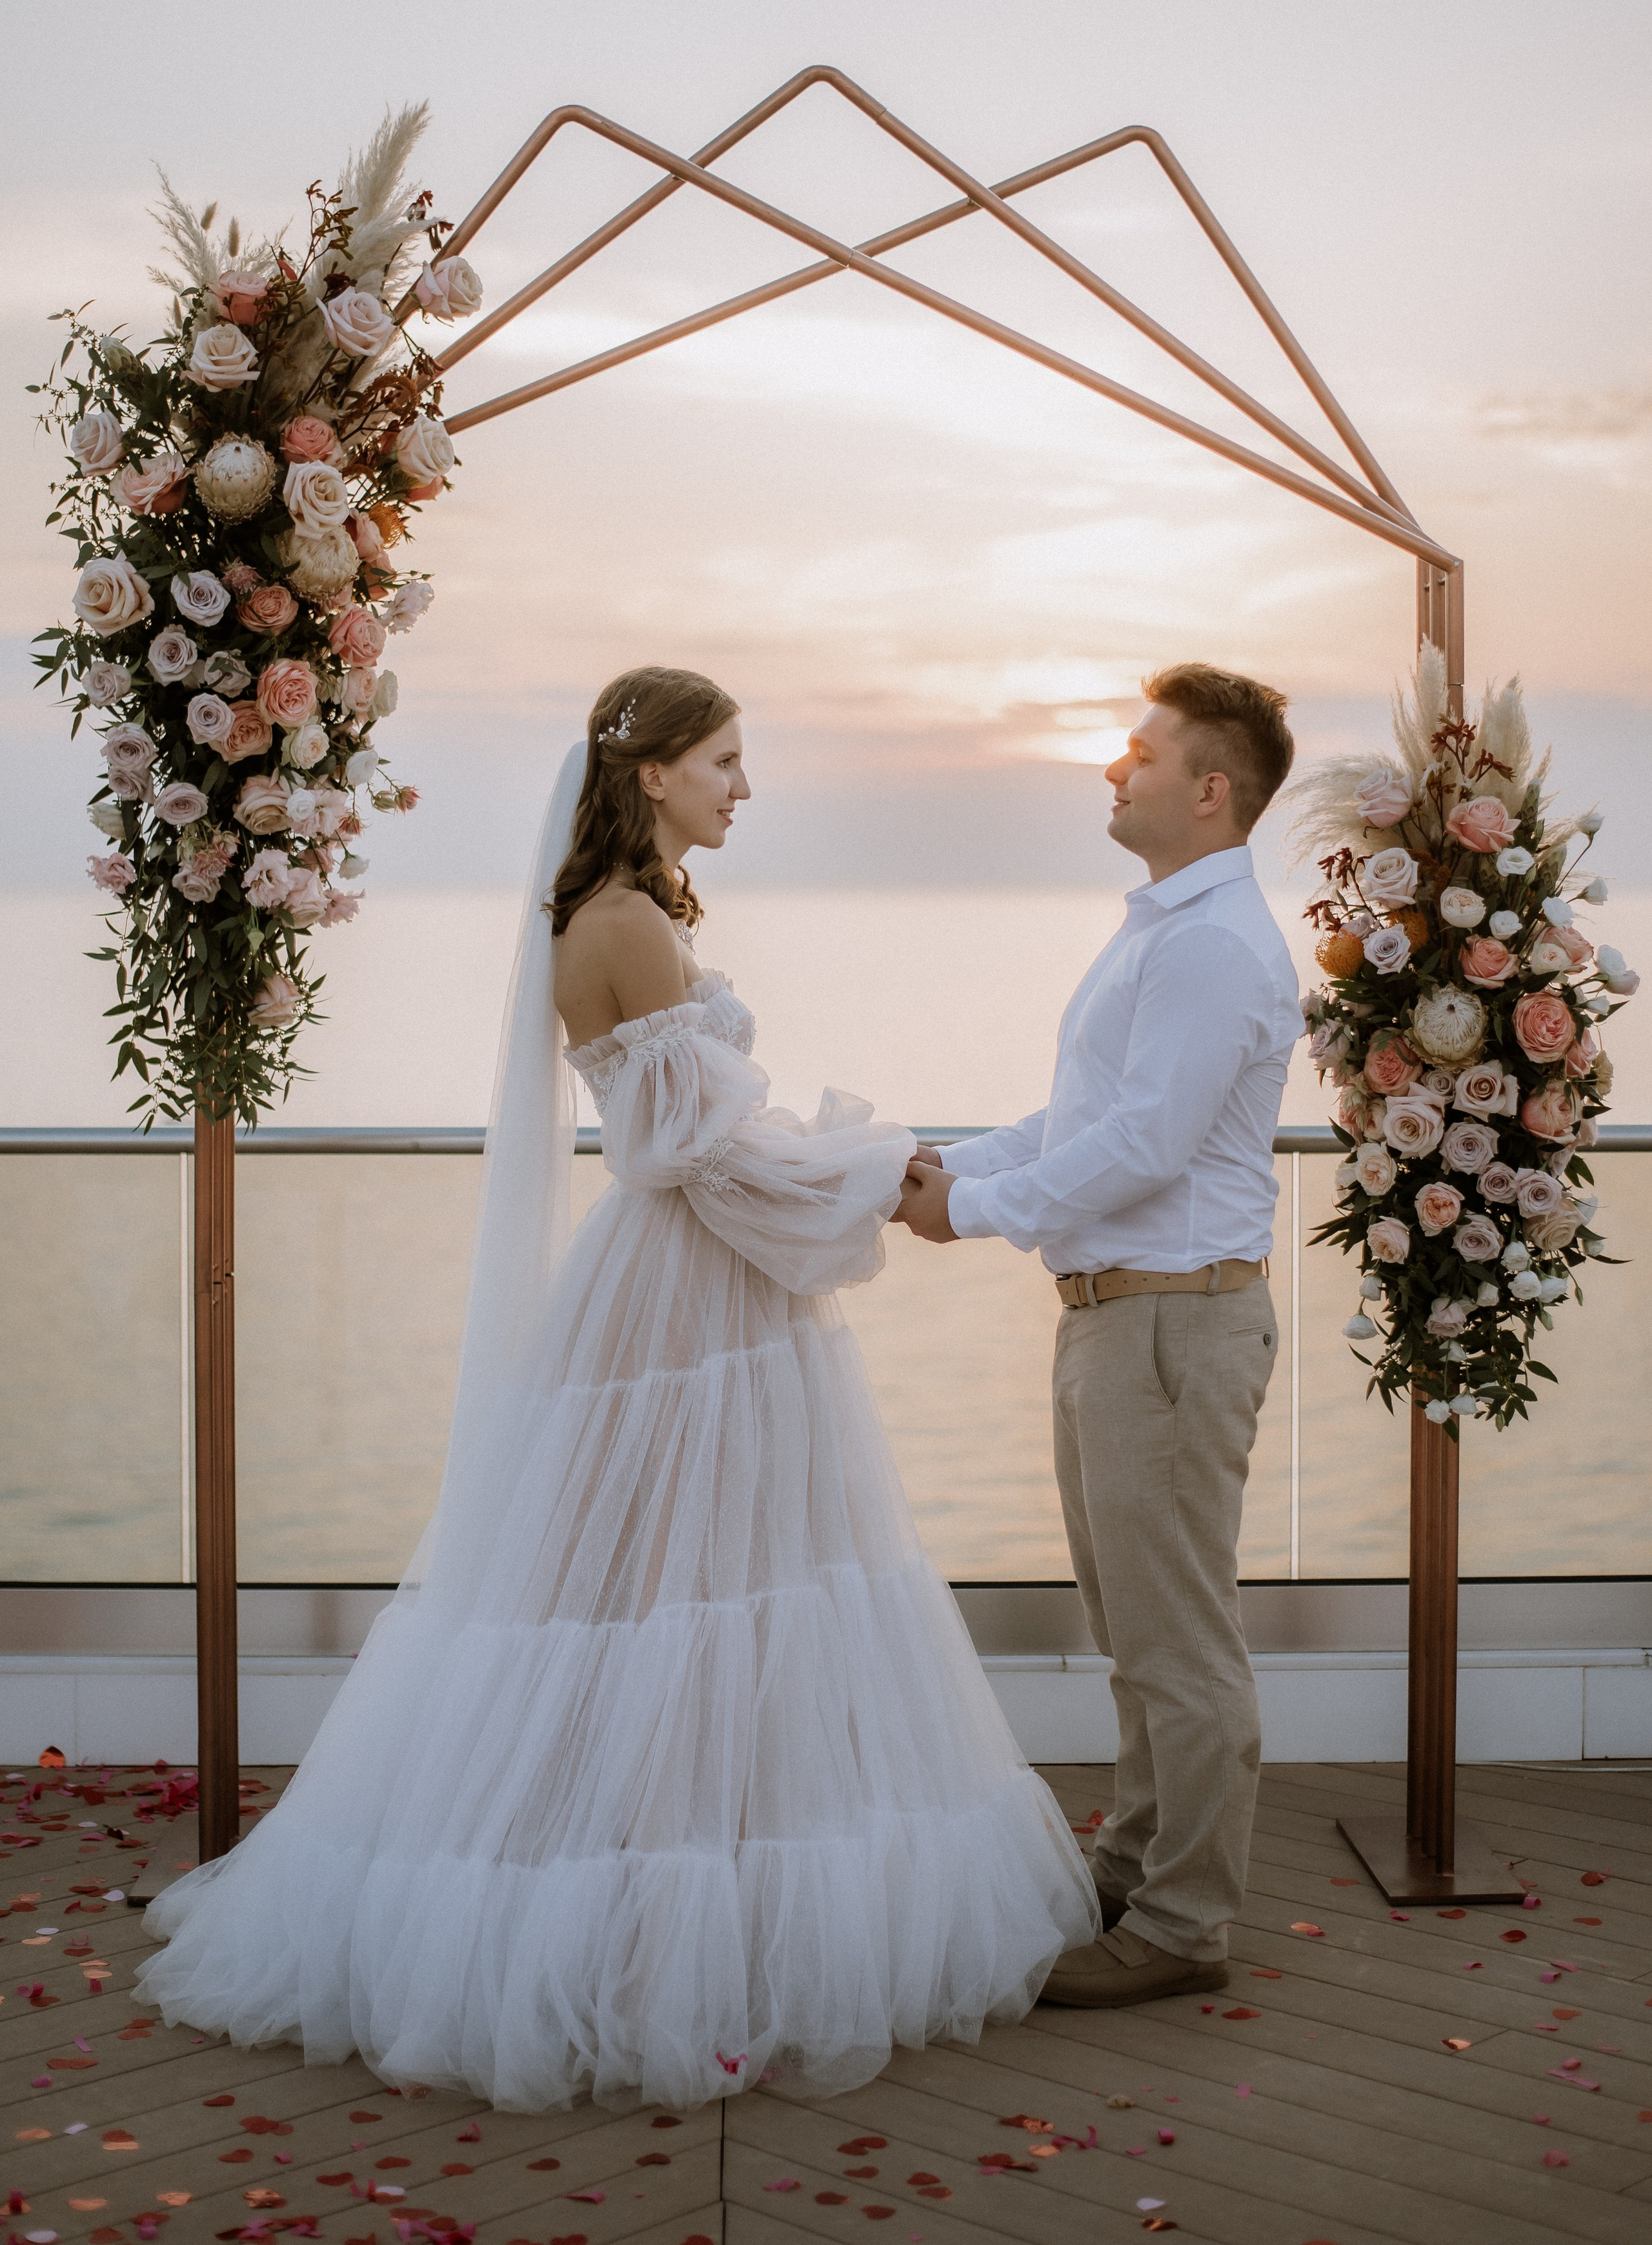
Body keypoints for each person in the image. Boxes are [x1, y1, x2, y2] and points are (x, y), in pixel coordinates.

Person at [132, 665, 1095, 2111]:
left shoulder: (616, 912)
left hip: (680, 1279)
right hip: (687, 1289)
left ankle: (678, 1882)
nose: (744, 787)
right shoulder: (629, 924)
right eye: (724, 760)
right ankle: (661, 1920)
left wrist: (849, 1172)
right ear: (652, 773)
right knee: (684, 1587)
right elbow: (696, 1156)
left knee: (678, 1586)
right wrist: (871, 1171)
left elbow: (690, 1135)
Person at [895, 663, 1300, 2007]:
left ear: (1211, 789)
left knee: (1178, 1636)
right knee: (1135, 1623)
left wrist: (969, 1211)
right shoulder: (1164, 930)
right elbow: (1081, 1118)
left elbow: (1145, 1145)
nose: (1113, 769)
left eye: (1142, 752)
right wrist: (948, 1164)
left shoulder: (1211, 943)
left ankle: (1184, 1923)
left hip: (1173, 1326)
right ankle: (1134, 1866)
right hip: (1121, 1323)